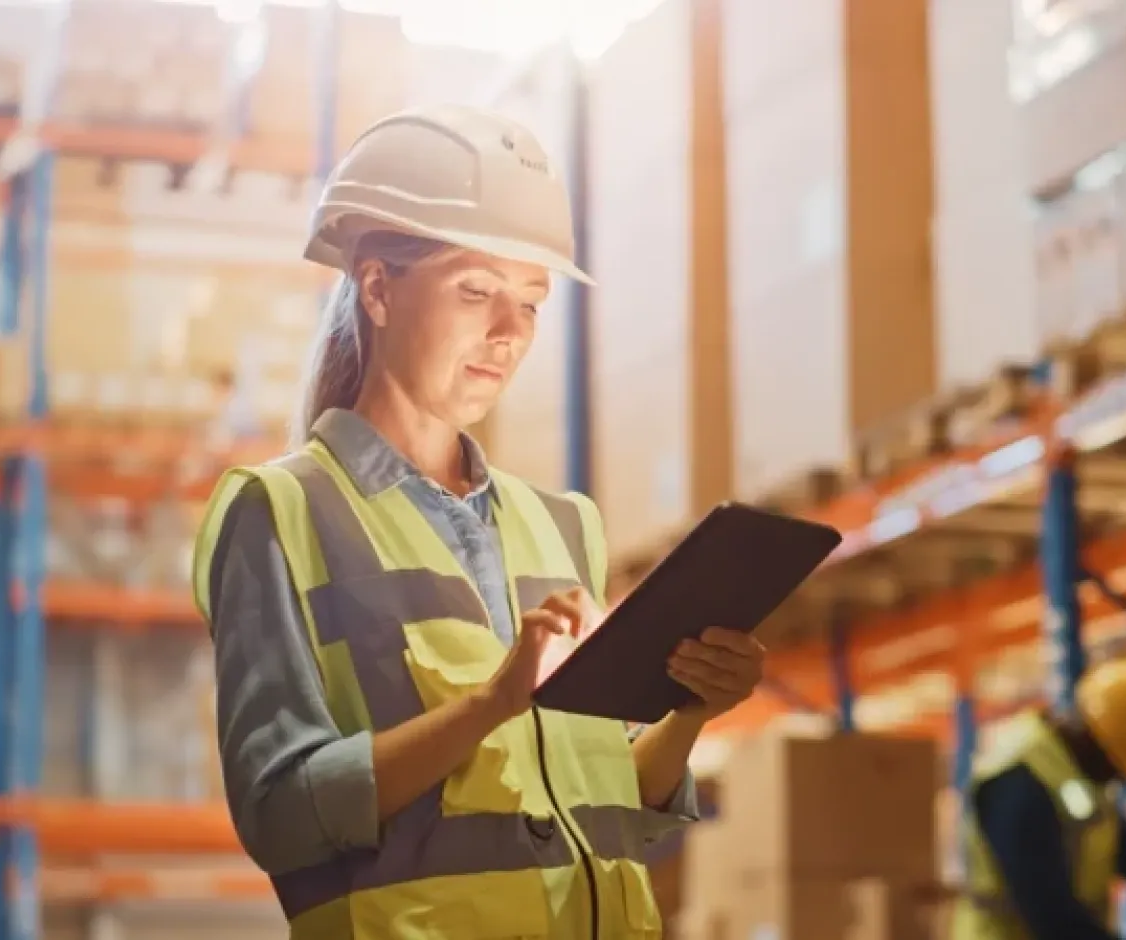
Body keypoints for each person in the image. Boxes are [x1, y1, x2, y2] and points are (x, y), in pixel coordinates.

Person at [190, 104, 765, 940]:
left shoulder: (564, 527)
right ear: (378, 287)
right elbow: (280, 813)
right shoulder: (281, 512)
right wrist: (490, 705)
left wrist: (690, 709)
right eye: (476, 292)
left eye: (530, 303)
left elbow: (606, 804)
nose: (509, 333)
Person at [952, 656, 1126, 940]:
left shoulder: (1077, 776)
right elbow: (1053, 919)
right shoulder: (1018, 786)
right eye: (1120, 769)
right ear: (1101, 746)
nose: (1120, 780)